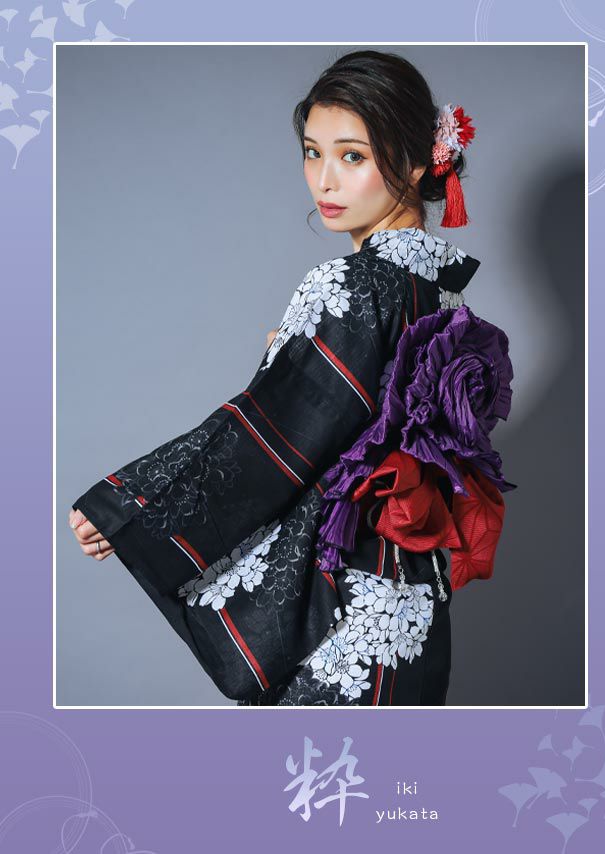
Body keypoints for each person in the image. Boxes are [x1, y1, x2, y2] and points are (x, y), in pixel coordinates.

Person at [69, 49, 492, 706]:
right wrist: (293, 357)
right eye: (312, 153)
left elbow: (278, 432)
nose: (324, 179)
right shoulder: (444, 292)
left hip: (341, 617)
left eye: (352, 156)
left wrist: (133, 504)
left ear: (416, 162)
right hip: (412, 602)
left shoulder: (352, 284)